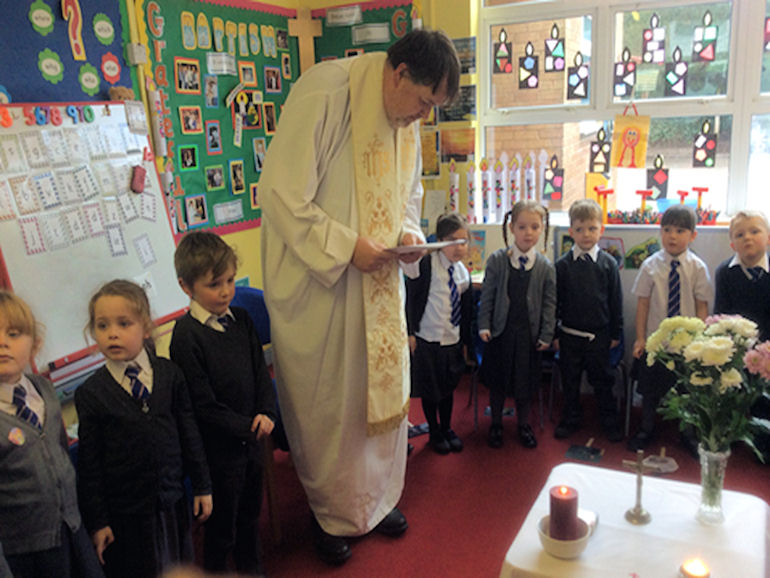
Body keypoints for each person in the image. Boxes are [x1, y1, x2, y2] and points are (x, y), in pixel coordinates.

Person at [258, 29, 460, 565]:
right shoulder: (328, 93)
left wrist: (412, 235)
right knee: (334, 408)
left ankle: (375, 502)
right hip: (322, 288)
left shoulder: (403, 116)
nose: (422, 117)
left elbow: (407, 194)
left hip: (377, 282)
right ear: (398, 73)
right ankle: (331, 515)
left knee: (379, 400)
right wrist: (348, 247)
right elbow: (279, 193)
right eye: (422, 101)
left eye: (432, 108)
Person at [75, 280, 212, 578]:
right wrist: (98, 521)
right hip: (128, 514)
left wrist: (202, 485)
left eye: (124, 323)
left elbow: (189, 434)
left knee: (179, 567)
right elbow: (90, 465)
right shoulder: (91, 393)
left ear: (145, 327)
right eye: (102, 325)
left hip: (172, 501)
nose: (112, 333)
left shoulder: (169, 374)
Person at [169, 231, 276, 575]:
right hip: (219, 452)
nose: (227, 291)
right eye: (215, 284)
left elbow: (261, 373)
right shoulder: (186, 337)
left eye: (230, 280)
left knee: (249, 518)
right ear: (187, 287)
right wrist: (246, 426)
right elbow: (203, 405)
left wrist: (266, 412)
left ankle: (253, 570)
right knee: (221, 530)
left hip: (253, 441)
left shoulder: (241, 320)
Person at [0, 291, 104, 578]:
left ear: (35, 343)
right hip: (24, 551)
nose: (2, 343)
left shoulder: (43, 391)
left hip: (72, 529)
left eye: (13, 333)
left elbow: (60, 456)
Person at [627, 205, 713, 452]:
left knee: (687, 391)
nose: (672, 236)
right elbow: (642, 303)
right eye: (666, 230)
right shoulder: (650, 265)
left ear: (693, 235)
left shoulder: (697, 267)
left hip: (687, 346)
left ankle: (688, 433)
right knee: (650, 390)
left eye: (680, 230)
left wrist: (701, 341)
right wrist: (641, 338)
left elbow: (702, 306)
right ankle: (646, 428)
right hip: (657, 343)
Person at [478, 200, 556, 450]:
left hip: (528, 337)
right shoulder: (498, 260)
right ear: (512, 228)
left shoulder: (545, 267)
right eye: (522, 227)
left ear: (542, 229)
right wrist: (484, 325)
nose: (528, 232)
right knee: (499, 382)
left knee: (525, 383)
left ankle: (524, 425)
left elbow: (549, 304)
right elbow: (487, 296)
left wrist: (546, 333)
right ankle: (496, 424)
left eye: (534, 227)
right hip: (501, 333)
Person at [554, 199, 623, 443]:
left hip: (600, 336)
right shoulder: (562, 266)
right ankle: (571, 417)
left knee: (602, 381)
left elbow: (615, 301)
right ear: (571, 231)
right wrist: (554, 334)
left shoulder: (608, 264)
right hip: (570, 335)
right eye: (580, 229)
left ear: (601, 230)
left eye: (592, 228)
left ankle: (608, 420)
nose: (586, 234)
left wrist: (616, 333)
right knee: (570, 381)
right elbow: (555, 302)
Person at [405, 212, 472, 454]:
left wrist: (465, 340)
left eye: (464, 241)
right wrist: (410, 332)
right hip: (428, 338)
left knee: (447, 388)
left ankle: (446, 427)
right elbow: (412, 298)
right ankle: (434, 431)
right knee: (431, 389)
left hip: (451, 340)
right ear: (440, 240)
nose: (459, 247)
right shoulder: (426, 265)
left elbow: (465, 309)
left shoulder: (461, 271)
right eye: (453, 241)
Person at [713, 210, 770, 459]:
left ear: (767, 237)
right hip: (737, 348)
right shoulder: (725, 272)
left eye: (755, 231)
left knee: (764, 398)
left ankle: (763, 441)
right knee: (731, 392)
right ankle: (731, 434)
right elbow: (721, 315)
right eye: (740, 234)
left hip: (768, 349)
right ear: (732, 243)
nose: (747, 238)